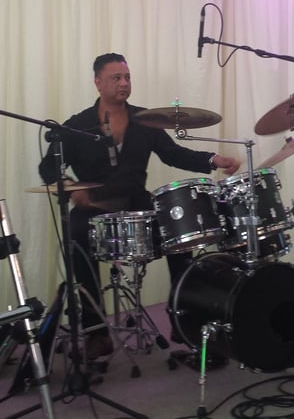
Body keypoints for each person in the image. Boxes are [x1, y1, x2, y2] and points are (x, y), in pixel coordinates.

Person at [38, 53, 240, 360]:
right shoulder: (77, 126)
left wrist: (214, 160)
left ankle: (183, 319)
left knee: (180, 231)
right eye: (116, 78)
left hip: (136, 200)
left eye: (127, 77)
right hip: (94, 207)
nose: (124, 83)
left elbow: (174, 154)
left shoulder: (146, 120)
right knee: (75, 236)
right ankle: (96, 333)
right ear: (98, 82)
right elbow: (47, 168)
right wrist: (70, 188)